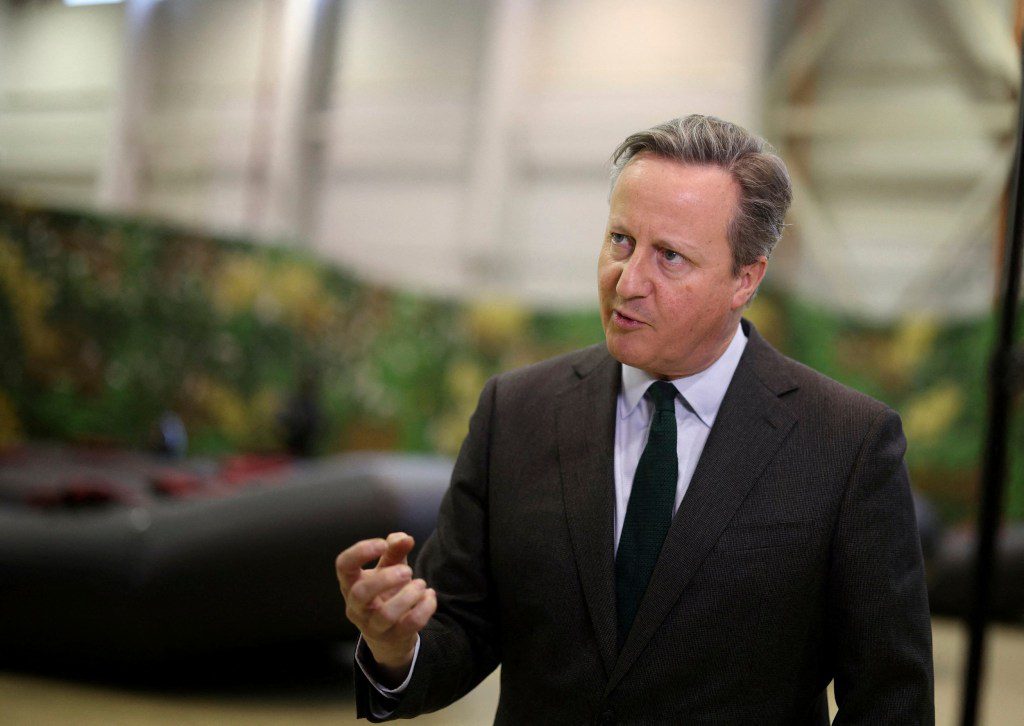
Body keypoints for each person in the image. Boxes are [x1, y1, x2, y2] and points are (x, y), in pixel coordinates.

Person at [335, 114, 934, 724]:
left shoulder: (846, 443)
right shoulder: (514, 413)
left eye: (670, 257)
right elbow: (460, 623)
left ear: (744, 280)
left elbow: (889, 701)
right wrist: (395, 644)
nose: (628, 279)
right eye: (621, 240)